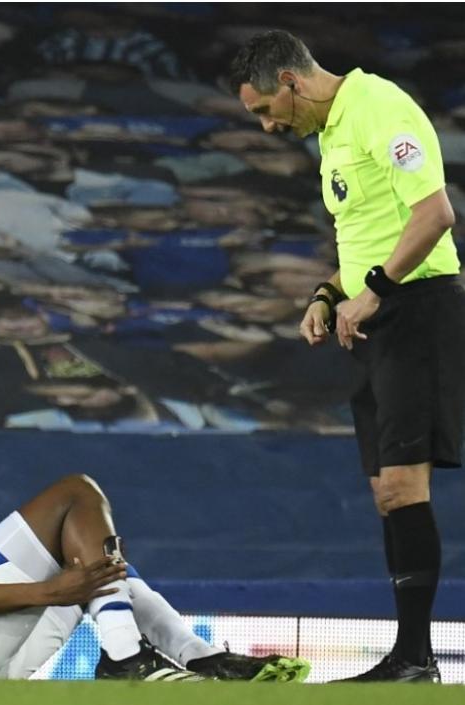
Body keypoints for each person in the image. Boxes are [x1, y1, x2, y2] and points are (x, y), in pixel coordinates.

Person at [0, 352, 311, 681]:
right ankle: (125, 657)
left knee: (94, 555)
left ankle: (199, 657)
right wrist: (49, 592)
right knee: (76, 494)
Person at [230, 29, 462, 683]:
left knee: (402, 484)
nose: (269, 127)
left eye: (265, 111)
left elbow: (436, 214)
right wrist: (329, 294)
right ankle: (408, 656)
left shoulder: (380, 108)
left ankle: (416, 659)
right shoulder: (333, 132)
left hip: (417, 307)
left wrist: (376, 293)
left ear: (291, 84)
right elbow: (366, 237)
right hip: (377, 316)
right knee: (385, 493)